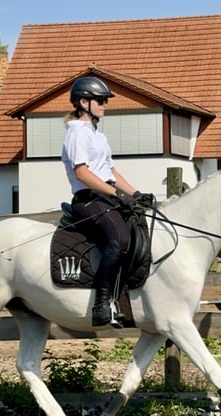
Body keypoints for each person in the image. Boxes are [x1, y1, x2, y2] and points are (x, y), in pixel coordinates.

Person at [61, 75, 148, 328]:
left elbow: (110, 171)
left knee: (137, 228)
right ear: (83, 102)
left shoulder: (97, 134)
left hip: (104, 196)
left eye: (104, 100)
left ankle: (124, 298)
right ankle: (101, 305)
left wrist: (135, 193)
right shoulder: (78, 133)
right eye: (101, 100)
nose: (105, 104)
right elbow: (82, 173)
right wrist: (115, 194)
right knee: (118, 238)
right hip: (88, 199)